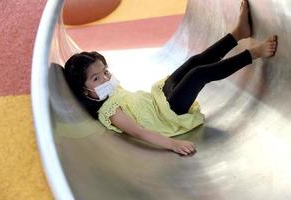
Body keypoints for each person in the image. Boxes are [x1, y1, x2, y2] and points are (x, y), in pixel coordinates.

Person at [63, 0, 278, 156]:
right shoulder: (109, 111)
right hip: (167, 115)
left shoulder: (110, 91)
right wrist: (172, 145)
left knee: (193, 62)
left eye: (105, 72)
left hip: (158, 99)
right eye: (96, 79)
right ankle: (253, 53)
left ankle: (237, 34)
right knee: (198, 74)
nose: (105, 78)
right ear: (85, 90)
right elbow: (139, 131)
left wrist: (105, 80)